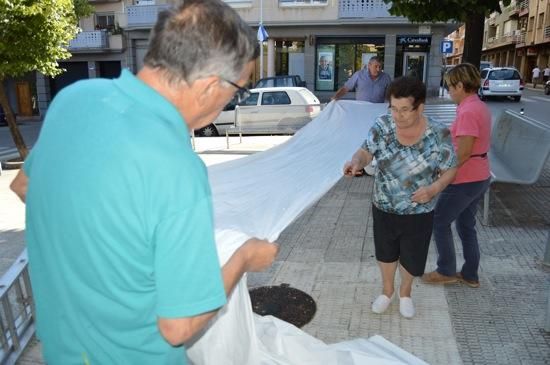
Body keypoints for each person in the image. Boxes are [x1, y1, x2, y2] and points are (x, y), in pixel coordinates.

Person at [9, 1, 278, 364]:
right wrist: (244, 258)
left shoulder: (74, 99)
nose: (231, 102)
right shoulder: (176, 168)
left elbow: (25, 186)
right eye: (238, 91)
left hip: (63, 351)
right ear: (211, 86)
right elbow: (178, 326)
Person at [343, 77, 457, 318]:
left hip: (419, 210)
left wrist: (434, 189)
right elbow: (365, 151)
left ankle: (405, 294)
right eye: (393, 108)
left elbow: (450, 169)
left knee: (413, 257)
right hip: (384, 205)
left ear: (420, 107)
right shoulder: (382, 126)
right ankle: (387, 291)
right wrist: (356, 162)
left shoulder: (438, 133)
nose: (397, 115)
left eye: (405, 110)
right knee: (385, 252)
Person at [422, 63, 492, 289]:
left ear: (461, 85)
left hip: (465, 179)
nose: (449, 90)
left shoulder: (469, 111)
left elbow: (463, 152)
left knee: (439, 221)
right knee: (465, 225)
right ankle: (470, 274)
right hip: (478, 176)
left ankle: (446, 270)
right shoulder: (475, 106)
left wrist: (442, 174)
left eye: (450, 86)